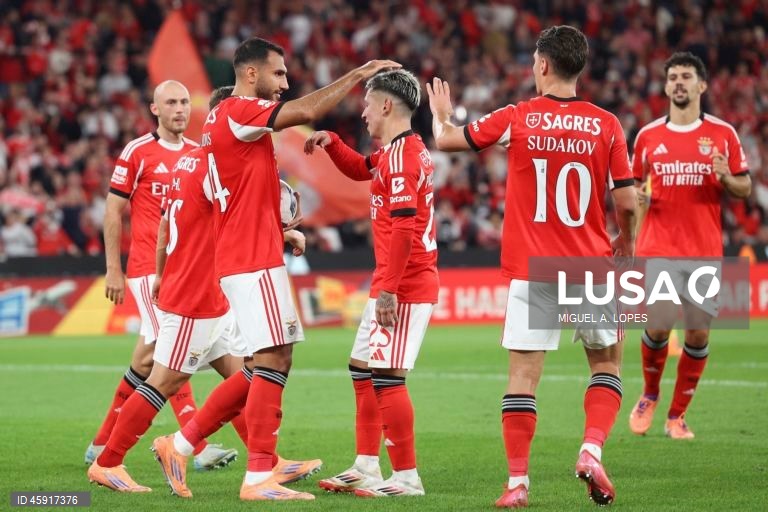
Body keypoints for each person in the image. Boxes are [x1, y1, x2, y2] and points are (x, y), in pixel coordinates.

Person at [152, 37, 399, 502]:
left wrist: (279, 231)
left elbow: (237, 192)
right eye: (279, 73)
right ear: (251, 74)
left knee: (261, 364)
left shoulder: (225, 120)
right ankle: (257, 475)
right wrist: (358, 74)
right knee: (274, 357)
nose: (285, 83)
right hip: (251, 260)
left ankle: (181, 444)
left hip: (248, 252)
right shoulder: (240, 110)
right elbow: (307, 110)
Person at [427, 26, 637, 508]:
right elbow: (626, 202)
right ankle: (591, 450)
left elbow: (447, 140)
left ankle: (518, 483)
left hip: (532, 269)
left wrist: (441, 115)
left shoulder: (517, 116)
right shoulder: (607, 124)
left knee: (523, 376)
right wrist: (626, 242)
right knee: (606, 363)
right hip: (590, 266)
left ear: (542, 64)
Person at [87, 86, 318, 494]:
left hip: (204, 288)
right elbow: (233, 219)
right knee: (164, 380)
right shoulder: (215, 162)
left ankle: (266, 461)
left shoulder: (188, 161)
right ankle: (109, 461)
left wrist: (162, 273)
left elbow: (169, 224)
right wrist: (282, 231)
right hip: (194, 293)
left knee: (249, 370)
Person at [86, 80, 236, 471]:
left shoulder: (196, 154)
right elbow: (113, 211)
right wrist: (113, 269)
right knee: (168, 358)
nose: (180, 109)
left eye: (185, 102)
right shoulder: (137, 151)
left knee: (146, 358)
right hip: (146, 271)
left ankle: (101, 444)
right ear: (155, 109)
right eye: (171, 102)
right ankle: (196, 447)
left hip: (186, 272)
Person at [304, 69, 438, 498]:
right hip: (391, 280)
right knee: (361, 369)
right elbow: (361, 169)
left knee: (388, 377)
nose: (362, 112)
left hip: (406, 284)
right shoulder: (398, 152)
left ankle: (407, 477)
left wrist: (390, 290)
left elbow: (404, 230)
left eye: (367, 104)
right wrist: (332, 143)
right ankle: (365, 465)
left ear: (385, 105)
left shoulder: (403, 158)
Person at [628, 52, 751, 439]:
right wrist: (638, 208)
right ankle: (649, 394)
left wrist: (726, 177)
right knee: (659, 323)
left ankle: (676, 416)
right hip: (659, 247)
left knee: (697, 336)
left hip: (703, 250)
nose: (678, 82)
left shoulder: (723, 134)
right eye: (673, 77)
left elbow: (744, 187)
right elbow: (634, 188)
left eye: (686, 76)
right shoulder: (647, 137)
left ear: (702, 85)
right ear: (666, 87)